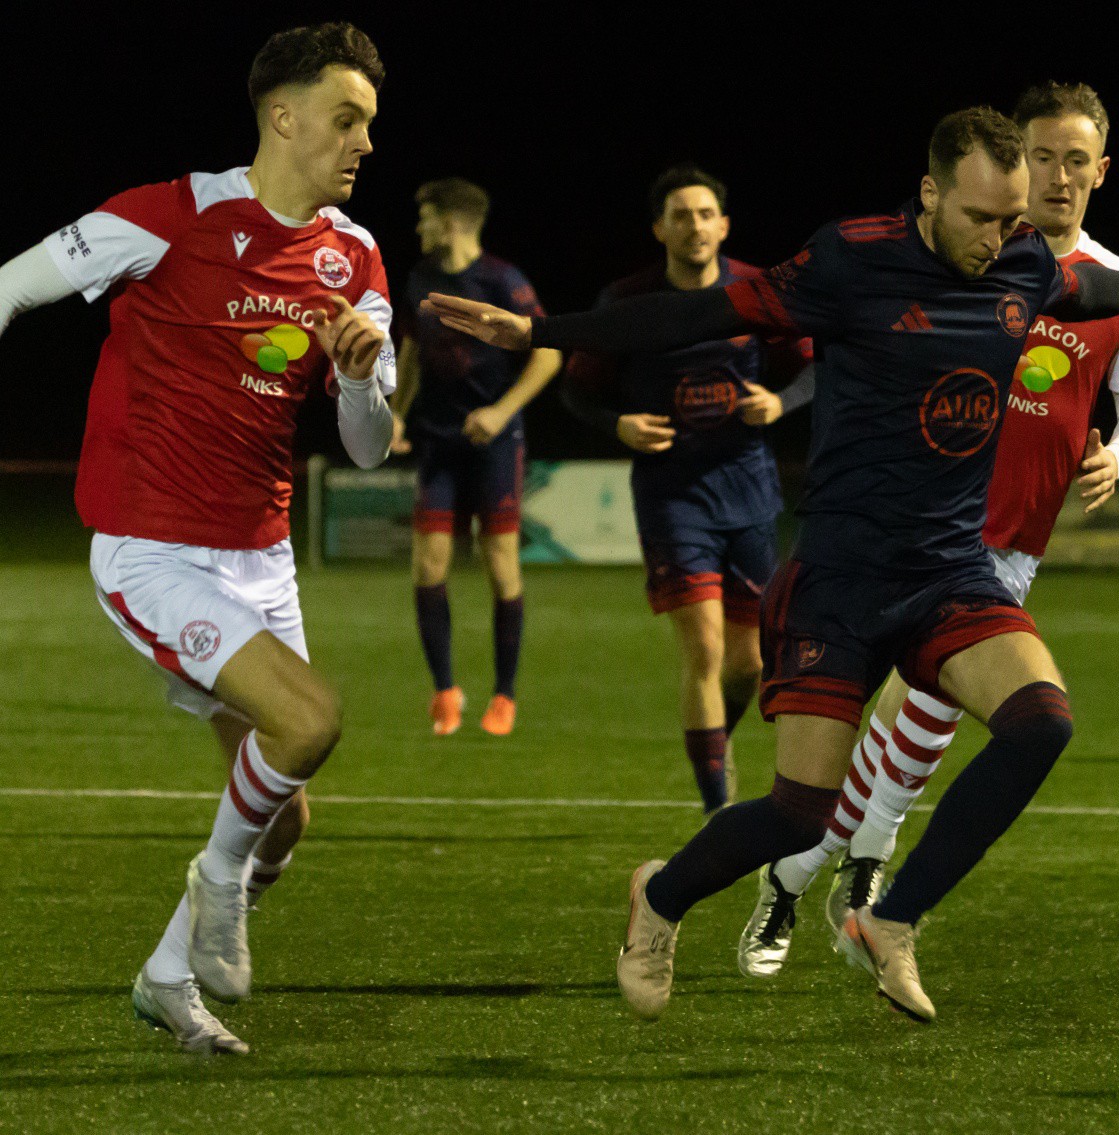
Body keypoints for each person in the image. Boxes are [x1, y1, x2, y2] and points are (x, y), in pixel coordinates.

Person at [424, 106, 1119, 1024]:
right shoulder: (849, 261)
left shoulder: (1025, 261)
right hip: (842, 578)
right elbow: (695, 313)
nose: (1002, 238)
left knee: (1042, 723)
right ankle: (661, 896)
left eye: (1014, 218)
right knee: (798, 815)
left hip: (951, 571)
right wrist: (540, 334)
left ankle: (892, 919)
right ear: (930, 192)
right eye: (983, 217)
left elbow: (1094, 296)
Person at [0, 22, 395, 1054]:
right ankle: (215, 880)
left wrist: (358, 376)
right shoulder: (168, 216)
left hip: (260, 556)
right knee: (309, 721)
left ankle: (168, 973)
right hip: (152, 549)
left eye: (369, 124)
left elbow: (364, 449)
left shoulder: (354, 258)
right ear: (284, 116)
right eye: (346, 119)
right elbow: (9, 288)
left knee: (288, 814)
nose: (362, 142)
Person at [738, 80, 1119, 979]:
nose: (1057, 176)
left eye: (1074, 161)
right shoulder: (967, 251)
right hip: (906, 529)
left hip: (1002, 547)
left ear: (1100, 170)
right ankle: (829, 874)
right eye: (1041, 156)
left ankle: (819, 877)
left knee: (919, 726)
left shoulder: (1115, 289)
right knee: (887, 730)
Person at [560, 166, 813, 814]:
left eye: (705, 213)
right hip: (673, 496)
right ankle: (713, 811)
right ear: (659, 228)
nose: (694, 225)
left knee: (749, 664)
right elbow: (576, 388)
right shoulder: (627, 302)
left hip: (749, 491)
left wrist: (778, 403)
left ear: (723, 225)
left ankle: (714, 742)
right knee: (701, 647)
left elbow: (812, 373)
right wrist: (617, 422)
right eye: (681, 214)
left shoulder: (760, 292)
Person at [390, 179, 561, 737]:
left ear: (454, 223)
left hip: (494, 446)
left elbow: (549, 354)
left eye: (426, 217)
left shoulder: (502, 282)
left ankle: (505, 694)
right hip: (439, 443)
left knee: (501, 568)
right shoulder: (420, 280)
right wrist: (397, 412)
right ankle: (444, 690)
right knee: (428, 567)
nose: (418, 228)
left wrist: (501, 411)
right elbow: (412, 351)